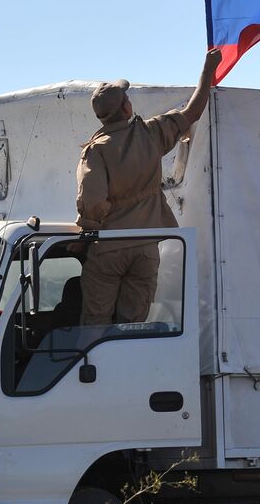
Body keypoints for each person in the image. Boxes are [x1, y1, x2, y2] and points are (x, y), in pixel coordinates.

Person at [75, 49, 222, 325]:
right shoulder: (150, 134)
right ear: (126, 109)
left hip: (109, 248)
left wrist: (87, 235)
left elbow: (91, 201)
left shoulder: (96, 151)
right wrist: (208, 68)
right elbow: (193, 111)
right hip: (145, 247)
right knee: (132, 327)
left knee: (95, 326)